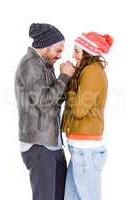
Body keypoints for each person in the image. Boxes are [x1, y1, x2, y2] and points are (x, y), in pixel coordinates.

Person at [15, 23, 75, 200]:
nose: (59, 55)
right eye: (57, 50)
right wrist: (64, 76)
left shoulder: (45, 65)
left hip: (51, 143)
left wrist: (68, 79)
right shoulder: (30, 65)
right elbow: (45, 102)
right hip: (39, 146)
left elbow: (54, 100)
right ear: (45, 46)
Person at [61, 31, 113, 200]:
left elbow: (78, 110)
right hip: (80, 149)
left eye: (77, 51)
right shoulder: (87, 71)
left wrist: (68, 88)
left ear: (87, 52)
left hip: (86, 151)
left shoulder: (92, 71)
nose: (73, 55)